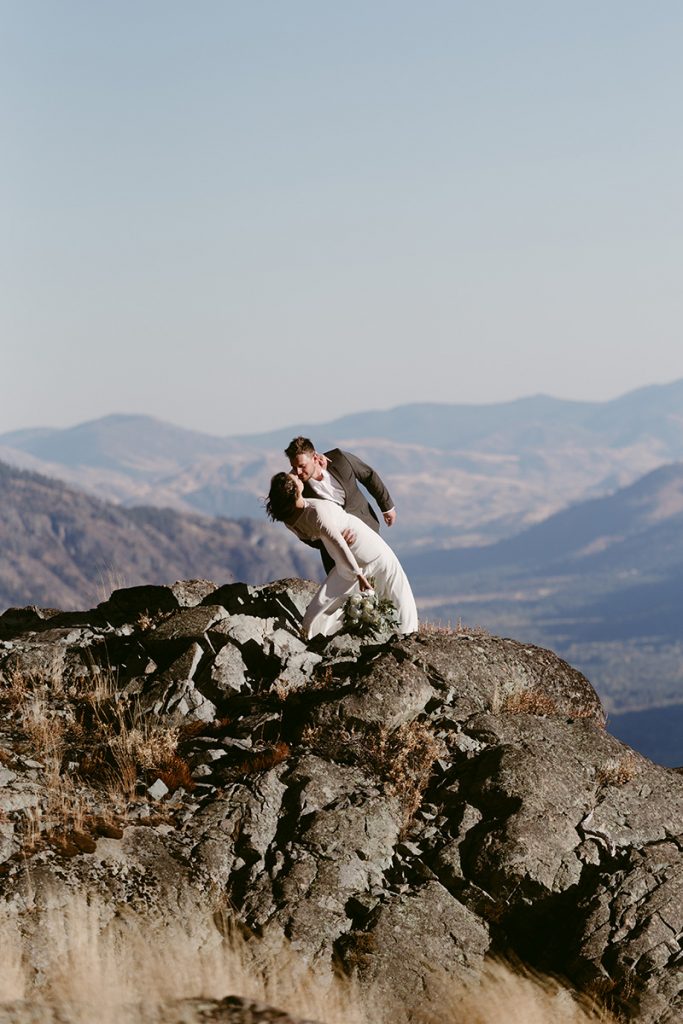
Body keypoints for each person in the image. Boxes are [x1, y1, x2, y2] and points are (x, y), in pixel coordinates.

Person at [266, 472, 418, 640]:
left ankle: (312, 629)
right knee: (392, 581)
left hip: (353, 546)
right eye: (293, 478)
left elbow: (321, 537)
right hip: (357, 544)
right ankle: (406, 631)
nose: (295, 474)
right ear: (295, 491)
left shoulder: (290, 520)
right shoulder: (316, 512)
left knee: (331, 596)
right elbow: (338, 543)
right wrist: (359, 575)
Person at [285, 437, 397, 573]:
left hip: (369, 530)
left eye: (302, 466)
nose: (298, 472)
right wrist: (332, 540)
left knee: (384, 577)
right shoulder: (298, 492)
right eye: (293, 467)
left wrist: (387, 507)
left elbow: (368, 475)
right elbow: (304, 533)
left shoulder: (340, 459)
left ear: (315, 458)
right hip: (336, 559)